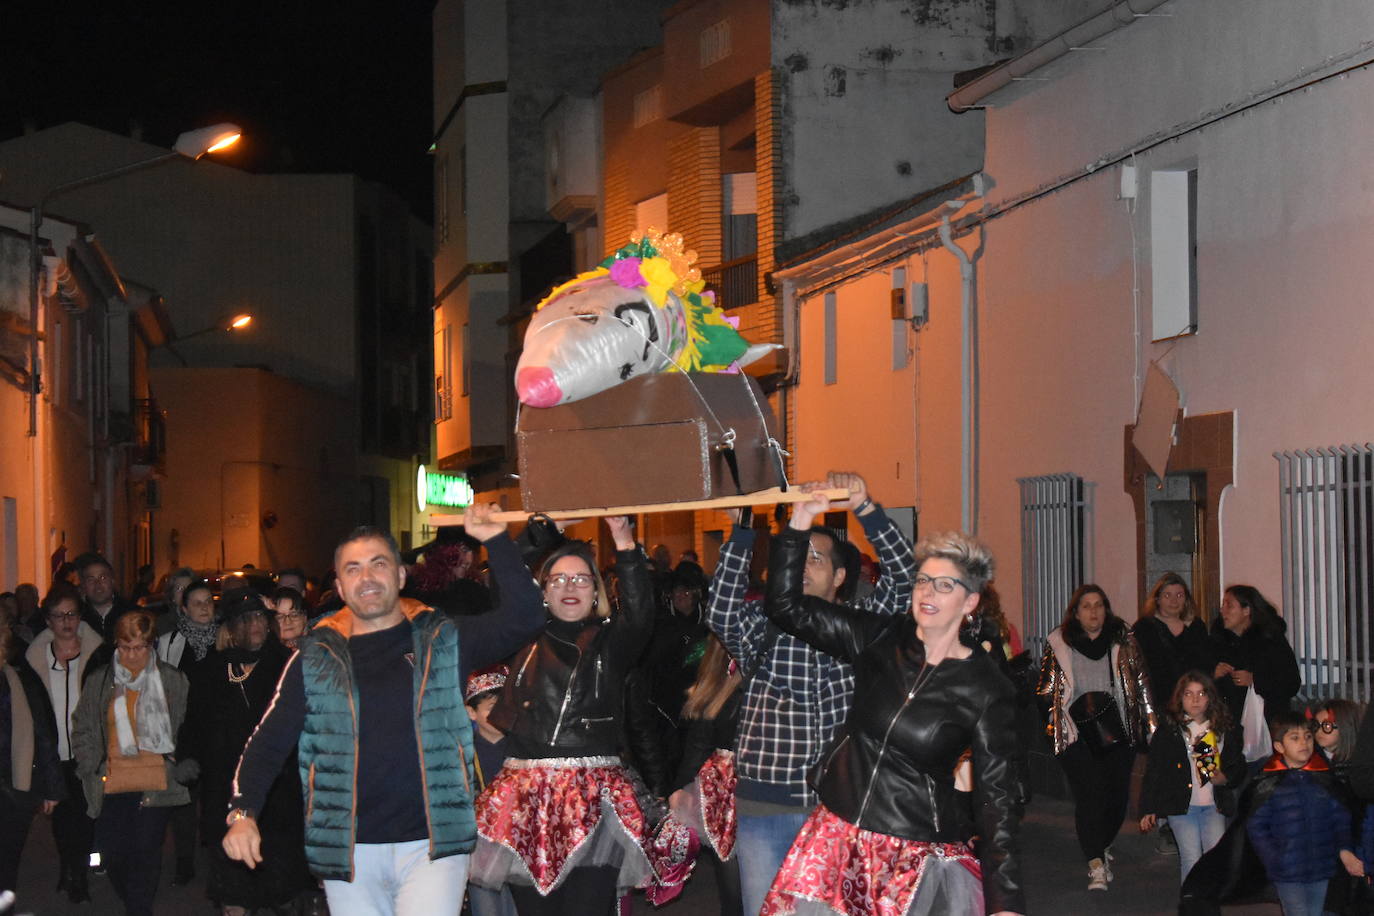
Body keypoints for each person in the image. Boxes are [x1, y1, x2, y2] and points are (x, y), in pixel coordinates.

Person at [224, 506, 543, 916]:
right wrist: (243, 811)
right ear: (339, 586)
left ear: (401, 575)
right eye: (353, 569)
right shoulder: (314, 658)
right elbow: (270, 740)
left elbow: (527, 618)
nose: (367, 577)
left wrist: (497, 540)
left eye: (378, 564)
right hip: (349, 849)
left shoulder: (444, 638)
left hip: (434, 843)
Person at [758, 503, 1025, 916]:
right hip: (836, 832)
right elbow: (786, 606)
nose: (927, 593)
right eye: (922, 581)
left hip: (908, 855)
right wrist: (797, 524)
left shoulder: (986, 688)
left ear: (970, 601)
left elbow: (997, 800)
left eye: (944, 585)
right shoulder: (881, 637)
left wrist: (1006, 900)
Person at [706, 471, 914, 916]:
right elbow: (721, 608)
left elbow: (905, 581)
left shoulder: (860, 629)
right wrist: (743, 531)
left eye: (815, 558)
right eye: (795, 555)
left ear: (840, 575)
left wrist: (866, 508)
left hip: (838, 809)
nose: (801, 565)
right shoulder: (761, 624)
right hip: (766, 804)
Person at [470, 517, 655, 915]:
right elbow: (505, 583)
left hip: (593, 796)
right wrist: (541, 529)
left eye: (581, 579)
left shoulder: (612, 643)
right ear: (541, 592)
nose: (570, 587)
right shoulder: (520, 634)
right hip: (524, 797)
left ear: (596, 591)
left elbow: (641, 615)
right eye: (557, 580)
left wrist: (624, 542)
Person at [189, 592, 308, 915]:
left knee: (283, 888)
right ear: (232, 627)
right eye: (245, 618)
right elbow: (195, 725)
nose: (254, 625)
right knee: (234, 891)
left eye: (258, 617)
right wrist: (188, 758)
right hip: (224, 789)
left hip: (279, 791)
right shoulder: (211, 670)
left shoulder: (285, 664)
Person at [72, 610, 194, 916]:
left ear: (151, 645)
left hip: (157, 782)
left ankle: (139, 910)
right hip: (113, 781)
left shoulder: (172, 680)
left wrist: (182, 759)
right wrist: (89, 763)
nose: (132, 654)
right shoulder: (101, 681)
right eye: (125, 647)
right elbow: (83, 724)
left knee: (146, 853)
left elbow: (188, 725)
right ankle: (134, 903)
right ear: (116, 645)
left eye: (139, 647)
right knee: (113, 854)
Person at [1037, 584, 1154, 891]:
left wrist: (1151, 727)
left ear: (1106, 609)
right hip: (1075, 733)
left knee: (1116, 796)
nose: (1093, 612)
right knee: (1089, 794)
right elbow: (1047, 690)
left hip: (1117, 729)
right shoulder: (1060, 642)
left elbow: (1141, 682)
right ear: (1075, 613)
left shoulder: (1123, 640)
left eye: (1099, 605)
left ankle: (1101, 844)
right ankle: (1095, 863)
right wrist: (1054, 718)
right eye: (1086, 606)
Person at [23, 583, 103, 902]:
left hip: (86, 752)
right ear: (48, 621)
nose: (66, 621)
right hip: (53, 754)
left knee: (84, 818)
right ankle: (66, 868)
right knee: (59, 818)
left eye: (71, 614)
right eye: (58, 615)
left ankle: (78, 874)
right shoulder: (34, 661)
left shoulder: (98, 655)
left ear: (79, 617)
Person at [657, 634, 742, 915]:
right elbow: (699, 741)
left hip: (772, 792)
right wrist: (680, 787)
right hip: (725, 797)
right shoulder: (720, 677)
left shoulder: (780, 668)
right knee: (734, 888)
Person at [1247, 710, 1356, 916]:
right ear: (1279, 746)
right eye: (1294, 738)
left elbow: (1340, 817)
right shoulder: (1270, 782)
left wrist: (1343, 848)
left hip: (1321, 866)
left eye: (1307, 737)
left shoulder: (1322, 778)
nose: (1304, 743)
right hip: (1288, 870)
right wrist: (1274, 857)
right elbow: (1257, 825)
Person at [1139, 672, 1244, 883]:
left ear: (1210, 698)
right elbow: (1155, 769)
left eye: (1201, 693)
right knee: (1191, 857)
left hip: (1213, 805)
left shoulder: (1222, 728)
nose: (1195, 700)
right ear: (1180, 698)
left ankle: (1208, 902)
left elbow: (1237, 763)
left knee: (1214, 857)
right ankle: (1192, 904)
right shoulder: (1170, 730)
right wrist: (1148, 808)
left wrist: (1225, 778)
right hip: (1182, 805)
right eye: (1188, 694)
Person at [156, 577, 220, 886]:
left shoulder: (225, 638)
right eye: (197, 602)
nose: (205, 607)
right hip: (185, 730)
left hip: (219, 731)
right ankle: (185, 858)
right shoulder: (170, 642)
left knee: (217, 795)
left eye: (208, 601)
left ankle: (216, 854)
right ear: (184, 608)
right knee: (184, 798)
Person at [0, 621, 63, 896]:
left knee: (6, 865)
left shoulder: (20, 682)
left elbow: (43, 735)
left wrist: (51, 788)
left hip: (14, 790)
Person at [464, 665, 516, 916]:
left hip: (519, 844)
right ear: (471, 713)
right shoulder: (462, 754)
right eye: (491, 708)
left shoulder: (524, 750)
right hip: (481, 849)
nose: (500, 714)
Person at [1212, 585, 1301, 730]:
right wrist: (1214, 674)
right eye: (1223, 605)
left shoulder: (1271, 641)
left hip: (1267, 724)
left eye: (1229, 605)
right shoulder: (1218, 642)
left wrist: (1255, 680)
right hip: (1229, 725)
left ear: (1247, 610)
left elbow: (1291, 683)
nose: (1223, 611)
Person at [1133, 573, 1214, 712]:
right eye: (1167, 595)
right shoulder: (1144, 628)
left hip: (1192, 702)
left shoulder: (1196, 626)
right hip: (1158, 702)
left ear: (1186, 599)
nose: (1174, 601)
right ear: (1157, 599)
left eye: (1179, 595)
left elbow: (1205, 663)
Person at [74, 552, 139, 643]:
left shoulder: (133, 614)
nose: (98, 584)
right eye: (91, 579)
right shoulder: (75, 619)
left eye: (103, 578)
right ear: (83, 585)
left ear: (112, 581)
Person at [268, 586, 309, 650]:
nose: (287, 621)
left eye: (294, 615)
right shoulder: (266, 654)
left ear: (304, 617)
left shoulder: (320, 647)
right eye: (280, 617)